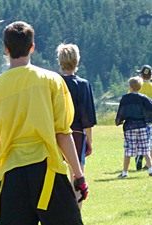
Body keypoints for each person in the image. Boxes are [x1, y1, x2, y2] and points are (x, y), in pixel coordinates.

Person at [0, 21, 87, 225]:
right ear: (32, 47)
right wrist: (79, 177)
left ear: (6, 49)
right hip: (48, 170)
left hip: (10, 175)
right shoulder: (52, 81)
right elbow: (63, 133)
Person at [57, 43, 97, 208]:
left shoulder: (55, 83)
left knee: (56, 175)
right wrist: (89, 140)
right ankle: (76, 214)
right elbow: (87, 116)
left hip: (56, 132)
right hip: (77, 133)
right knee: (77, 176)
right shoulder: (83, 84)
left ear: (60, 61)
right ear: (77, 61)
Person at [115, 76, 152, 178]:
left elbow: (121, 112)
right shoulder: (144, 98)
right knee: (145, 149)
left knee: (128, 150)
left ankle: (125, 172)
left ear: (130, 87)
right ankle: (150, 169)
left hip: (129, 127)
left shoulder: (125, 98)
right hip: (142, 126)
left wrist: (118, 121)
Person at [133, 65, 152, 171]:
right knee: (150, 141)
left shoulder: (138, 86)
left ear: (141, 75)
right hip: (151, 118)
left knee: (138, 139)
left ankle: (140, 154)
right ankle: (148, 163)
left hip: (138, 118)